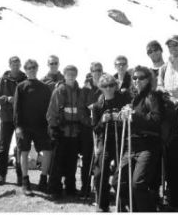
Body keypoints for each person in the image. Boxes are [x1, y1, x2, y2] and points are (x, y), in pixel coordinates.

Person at [112, 65, 164, 212]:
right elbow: (132, 121)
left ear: (148, 79)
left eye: (141, 77)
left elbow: (156, 119)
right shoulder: (134, 99)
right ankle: (135, 209)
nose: (137, 81)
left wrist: (134, 115)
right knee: (117, 182)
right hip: (131, 146)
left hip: (148, 145)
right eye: (134, 78)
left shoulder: (153, 96)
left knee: (138, 184)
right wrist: (123, 117)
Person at [157, 35, 178, 211]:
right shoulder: (164, 66)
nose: (173, 47)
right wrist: (166, 94)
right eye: (170, 45)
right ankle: (173, 198)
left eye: (176, 45)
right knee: (171, 154)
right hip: (169, 113)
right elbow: (160, 85)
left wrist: (174, 95)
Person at [92, 74, 131, 212]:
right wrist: (102, 120)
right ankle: (102, 204)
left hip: (122, 140)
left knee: (120, 173)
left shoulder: (123, 101)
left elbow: (130, 117)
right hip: (105, 140)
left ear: (115, 86)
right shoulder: (97, 106)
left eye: (111, 85)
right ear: (100, 88)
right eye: (105, 86)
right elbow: (95, 128)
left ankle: (123, 205)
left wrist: (120, 118)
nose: (108, 88)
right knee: (100, 172)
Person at [13, 59, 52, 196]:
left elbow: (49, 108)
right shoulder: (21, 86)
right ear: (25, 69)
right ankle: (25, 182)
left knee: (47, 152)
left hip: (41, 126)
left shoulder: (44, 87)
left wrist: (49, 125)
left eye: (34, 67)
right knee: (24, 153)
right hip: (24, 127)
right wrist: (18, 127)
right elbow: (16, 108)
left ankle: (43, 180)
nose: (31, 69)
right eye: (28, 67)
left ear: (37, 68)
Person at [47, 65, 81, 199]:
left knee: (72, 163)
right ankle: (54, 189)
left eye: (73, 73)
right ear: (64, 75)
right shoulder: (59, 90)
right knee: (57, 163)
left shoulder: (79, 91)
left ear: (76, 75)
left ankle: (71, 188)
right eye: (68, 73)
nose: (71, 76)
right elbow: (51, 111)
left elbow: (81, 111)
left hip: (74, 133)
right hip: (61, 132)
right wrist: (54, 129)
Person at [0, 56, 26, 186]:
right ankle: (1, 175)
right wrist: (6, 98)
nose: (16, 66)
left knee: (21, 147)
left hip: (21, 119)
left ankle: (20, 176)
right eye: (13, 64)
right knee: (3, 146)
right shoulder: (1, 81)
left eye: (18, 63)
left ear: (20, 64)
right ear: (9, 65)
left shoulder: (25, 79)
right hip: (6, 118)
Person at [78, 62, 104, 197]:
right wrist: (89, 123)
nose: (97, 72)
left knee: (100, 158)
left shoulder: (105, 86)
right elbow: (81, 109)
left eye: (100, 70)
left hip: (101, 128)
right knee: (87, 158)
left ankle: (99, 187)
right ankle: (85, 186)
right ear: (91, 71)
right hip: (87, 129)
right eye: (95, 70)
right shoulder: (85, 89)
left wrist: (99, 124)